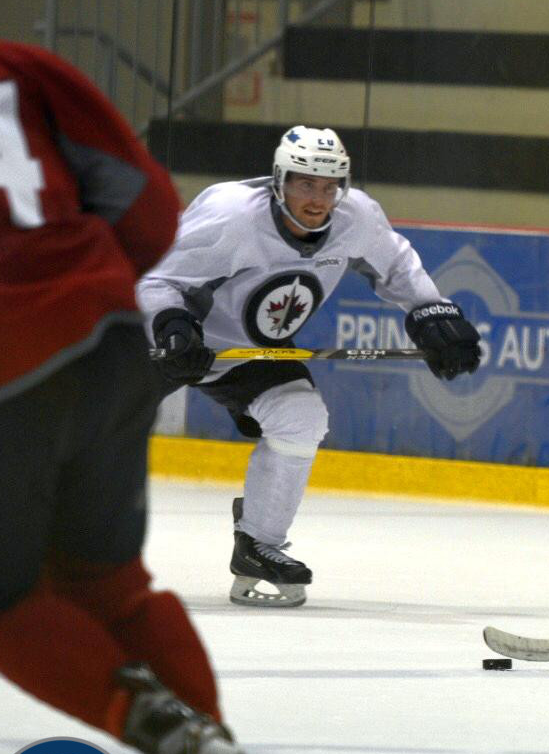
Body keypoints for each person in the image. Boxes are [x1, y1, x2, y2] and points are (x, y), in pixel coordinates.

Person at [0, 36, 299, 754]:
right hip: (109, 340)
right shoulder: (17, 66)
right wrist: (75, 292)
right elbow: (151, 210)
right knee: (109, 587)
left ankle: (172, 738)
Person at [137, 125, 482, 609]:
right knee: (94, 432)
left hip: (249, 351)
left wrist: (432, 314)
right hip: (164, 340)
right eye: (305, 184)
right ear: (279, 180)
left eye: (329, 186)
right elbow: (157, 280)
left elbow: (398, 267)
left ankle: (259, 545)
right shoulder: (232, 217)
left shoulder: (356, 217)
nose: (319, 199)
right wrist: (173, 326)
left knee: (301, 417)